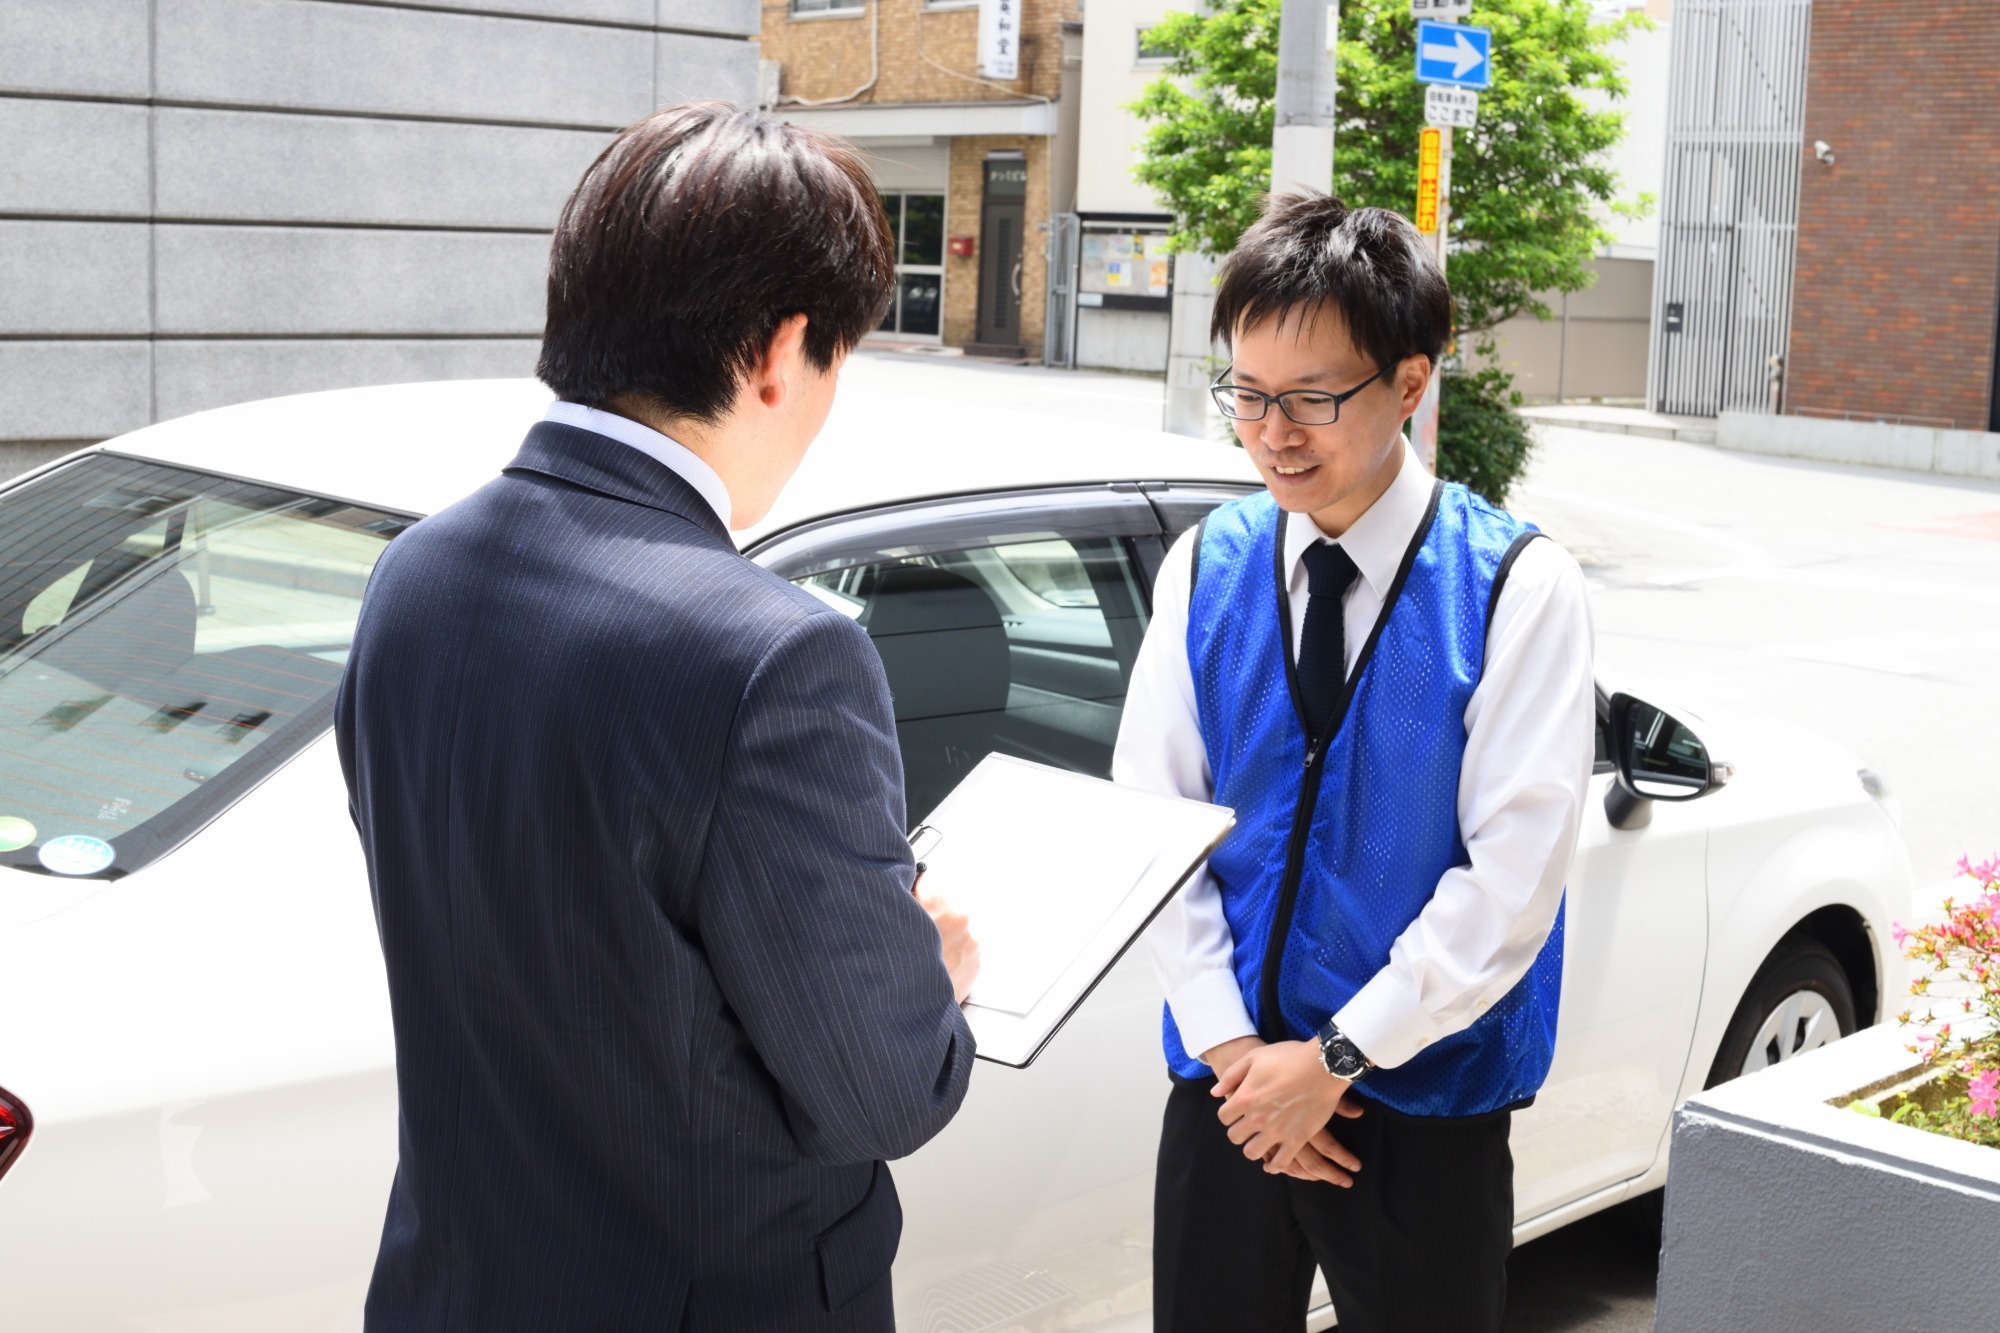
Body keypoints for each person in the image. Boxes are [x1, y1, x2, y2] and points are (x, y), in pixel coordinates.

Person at [335, 103, 980, 1333]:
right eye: (843, 355)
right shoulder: (774, 655)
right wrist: (930, 977)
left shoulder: (412, 575)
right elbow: (881, 1094)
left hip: (448, 1287)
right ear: (780, 351)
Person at [1113, 194, 1595, 1332]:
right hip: (1226, 1095)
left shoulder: (1514, 587)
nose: (1273, 432)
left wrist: (1335, 1056)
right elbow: (1155, 824)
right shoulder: (1205, 564)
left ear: (1409, 383)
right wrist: (1238, 1054)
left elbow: (1512, 880)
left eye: (1314, 399)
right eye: (1246, 394)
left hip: (1419, 1101)